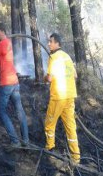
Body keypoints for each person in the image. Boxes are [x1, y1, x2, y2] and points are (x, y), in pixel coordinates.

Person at [44, 33, 80, 164]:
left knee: (49, 124)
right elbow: (75, 76)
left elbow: (49, 78)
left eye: (51, 42)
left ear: (57, 43)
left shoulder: (53, 57)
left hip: (58, 96)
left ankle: (50, 148)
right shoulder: (67, 57)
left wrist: (45, 78)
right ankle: (76, 157)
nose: (49, 44)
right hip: (70, 96)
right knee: (70, 126)